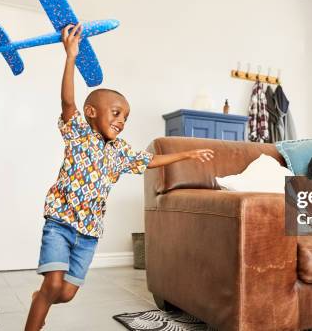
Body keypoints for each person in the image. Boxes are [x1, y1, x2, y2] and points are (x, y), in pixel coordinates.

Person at [24, 23, 214, 330]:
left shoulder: (120, 151)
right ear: (91, 112)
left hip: (88, 233)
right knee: (52, 285)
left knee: (67, 294)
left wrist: (187, 154)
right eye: (116, 113)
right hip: (60, 223)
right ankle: (38, 309)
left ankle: (42, 297)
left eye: (125, 117)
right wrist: (70, 56)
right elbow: (68, 102)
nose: (122, 121)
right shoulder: (79, 134)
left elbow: (150, 160)